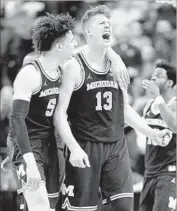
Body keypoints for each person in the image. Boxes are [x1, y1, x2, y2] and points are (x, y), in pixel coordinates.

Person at [54, 5, 170, 211]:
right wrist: (73, 148)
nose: (108, 25)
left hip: (116, 145)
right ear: (88, 31)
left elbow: (124, 110)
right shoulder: (73, 65)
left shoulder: (118, 65)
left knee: (125, 207)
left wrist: (151, 132)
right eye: (101, 23)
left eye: (109, 23)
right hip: (86, 145)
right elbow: (60, 113)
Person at [7, 13, 76, 211]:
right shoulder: (30, 74)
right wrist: (27, 160)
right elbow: (16, 120)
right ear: (59, 46)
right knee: (39, 206)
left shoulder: (62, 70)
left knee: (49, 205)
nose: (75, 44)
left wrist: (114, 59)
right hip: (28, 143)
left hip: (51, 143)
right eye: (72, 41)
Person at [140, 60, 176, 211]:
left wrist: (158, 98)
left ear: (169, 83)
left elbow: (174, 126)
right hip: (149, 173)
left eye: (159, 76)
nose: (153, 78)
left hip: (169, 174)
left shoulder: (174, 104)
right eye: (153, 76)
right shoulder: (148, 105)